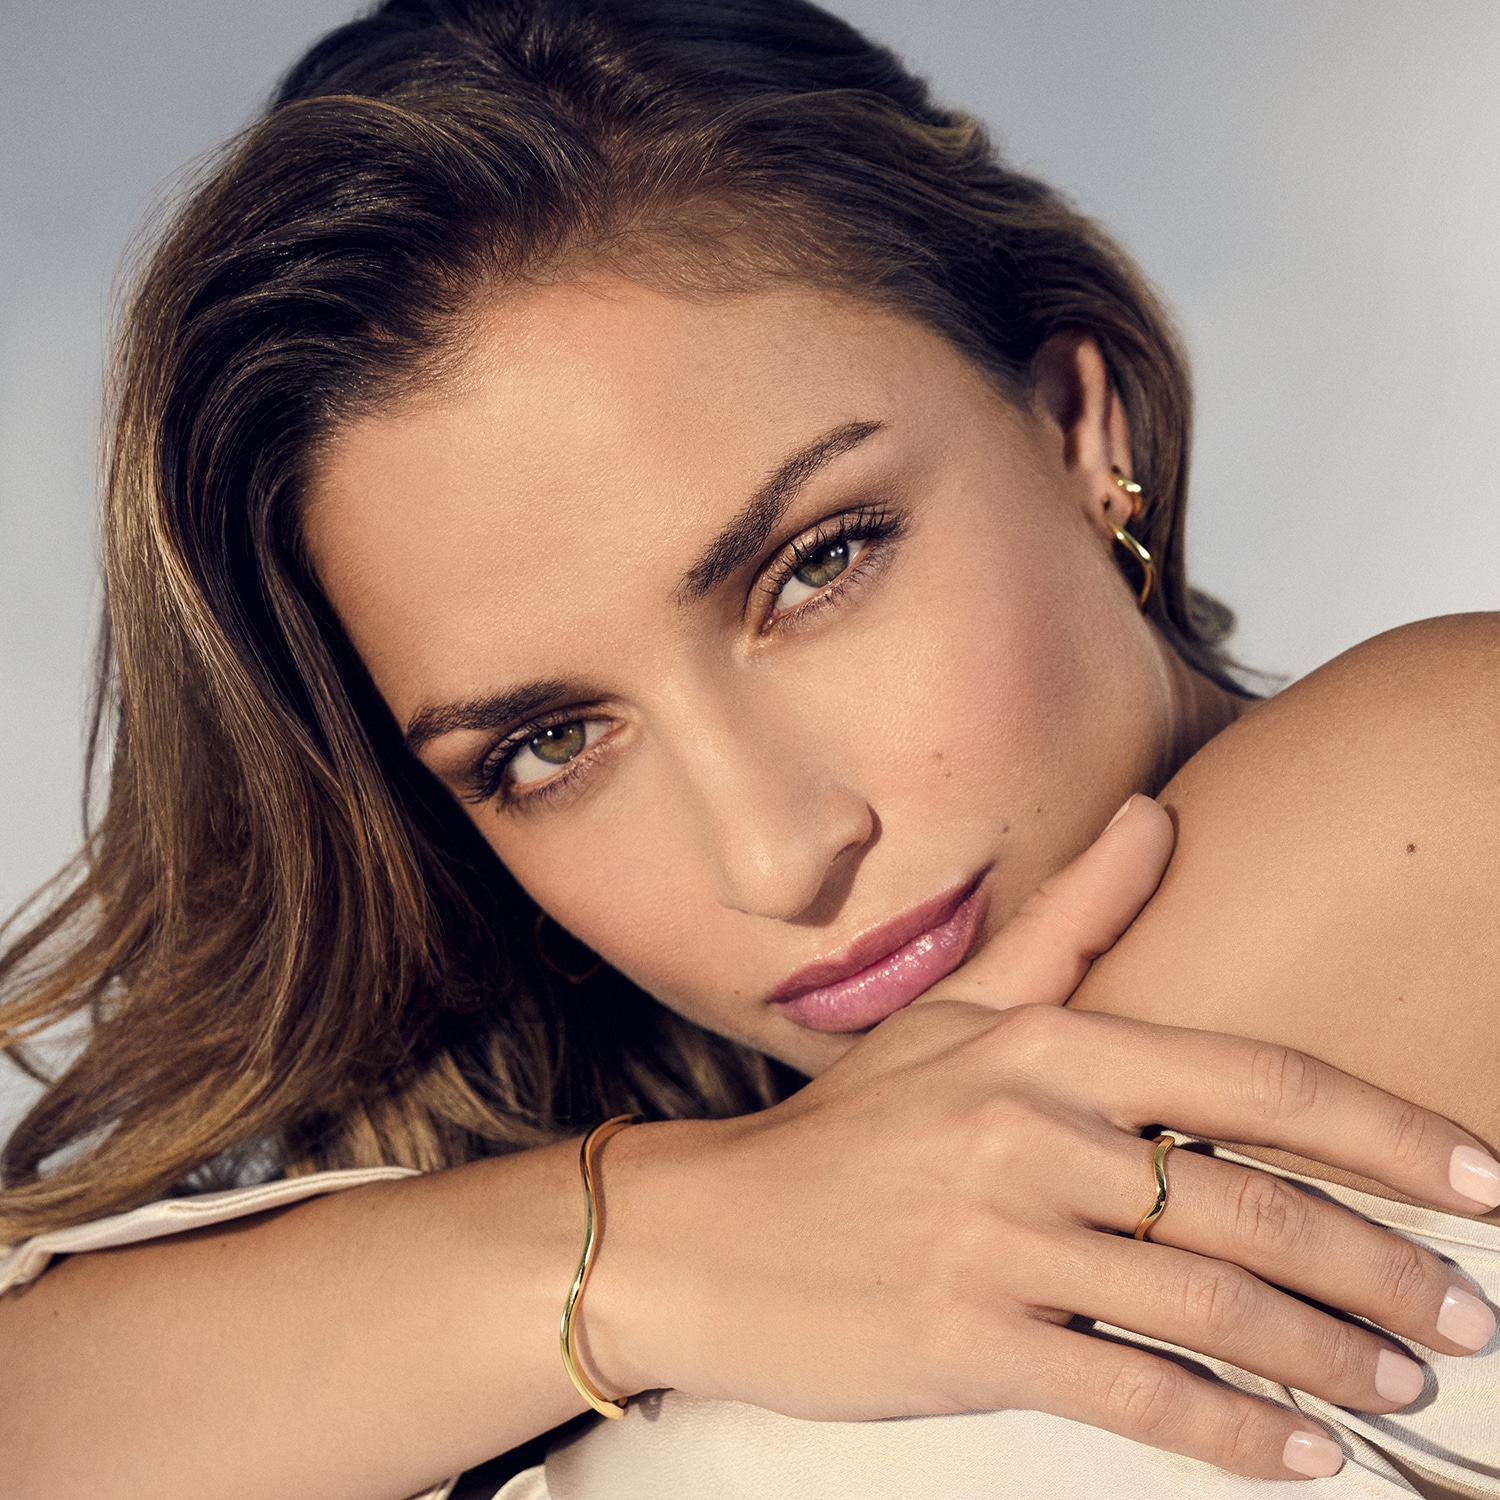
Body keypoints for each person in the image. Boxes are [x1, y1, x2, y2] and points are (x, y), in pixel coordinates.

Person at [0, 2, 1496, 1497]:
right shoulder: (678, 1213)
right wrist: (650, 1239)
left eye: (818, 565)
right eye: (549, 744)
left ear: (1071, 425)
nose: (777, 858)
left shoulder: (1443, 775)